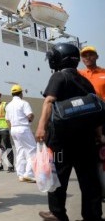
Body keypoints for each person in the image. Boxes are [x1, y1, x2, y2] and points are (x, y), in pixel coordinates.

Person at [36, 43, 103, 221]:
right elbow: (94, 110)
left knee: (58, 178)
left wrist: (41, 127)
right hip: (86, 140)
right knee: (90, 181)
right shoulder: (85, 81)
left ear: (60, 58)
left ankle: (57, 213)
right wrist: (99, 136)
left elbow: (49, 101)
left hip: (61, 141)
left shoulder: (58, 76)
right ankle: (93, 215)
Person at [78, 45, 105, 203]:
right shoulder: (80, 75)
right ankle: (95, 191)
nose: (87, 57)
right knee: (89, 157)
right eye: (84, 55)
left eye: (90, 54)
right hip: (85, 119)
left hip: (102, 116)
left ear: (97, 56)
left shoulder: (104, 73)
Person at [5, 85, 36, 182]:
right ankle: (29, 174)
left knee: (20, 151)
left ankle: (21, 174)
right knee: (33, 150)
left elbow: (7, 120)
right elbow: (30, 116)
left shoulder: (8, 105)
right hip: (23, 128)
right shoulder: (24, 103)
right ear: (21, 93)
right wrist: (31, 119)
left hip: (13, 129)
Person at [0, 88, 15, 173]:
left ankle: (11, 166)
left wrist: (11, 128)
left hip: (4, 129)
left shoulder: (5, 105)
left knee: (8, 147)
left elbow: (10, 117)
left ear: (0, 96)